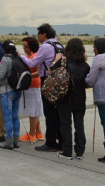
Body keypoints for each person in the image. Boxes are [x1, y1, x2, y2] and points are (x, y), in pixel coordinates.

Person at [20, 23, 64, 152]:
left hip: (48, 80)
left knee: (49, 113)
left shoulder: (45, 46)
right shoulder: (59, 45)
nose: (37, 36)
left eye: (39, 33)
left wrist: (21, 56)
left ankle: (50, 142)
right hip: (59, 81)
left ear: (44, 34)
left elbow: (33, 62)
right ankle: (61, 140)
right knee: (58, 113)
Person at [55, 38, 90, 160]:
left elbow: (51, 73)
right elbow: (88, 83)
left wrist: (57, 59)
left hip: (65, 98)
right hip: (80, 98)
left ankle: (67, 151)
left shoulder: (64, 63)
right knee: (79, 124)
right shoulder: (85, 66)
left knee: (65, 125)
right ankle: (80, 151)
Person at [18, 36, 44, 143]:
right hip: (31, 86)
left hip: (33, 85)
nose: (23, 48)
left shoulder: (35, 56)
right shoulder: (29, 56)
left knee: (33, 111)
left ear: (30, 47)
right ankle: (38, 132)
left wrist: (27, 76)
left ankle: (32, 134)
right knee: (34, 110)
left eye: (25, 46)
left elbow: (39, 72)